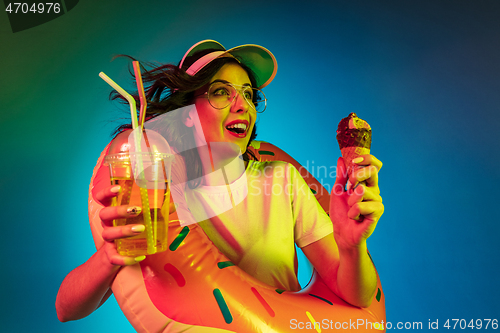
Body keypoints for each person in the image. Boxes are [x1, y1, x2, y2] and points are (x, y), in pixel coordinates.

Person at [56, 40, 384, 323]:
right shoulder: (160, 194)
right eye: (220, 93)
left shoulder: (281, 181)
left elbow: (357, 298)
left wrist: (351, 246)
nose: (242, 104)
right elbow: (66, 309)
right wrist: (107, 259)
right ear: (188, 114)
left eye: (248, 94)